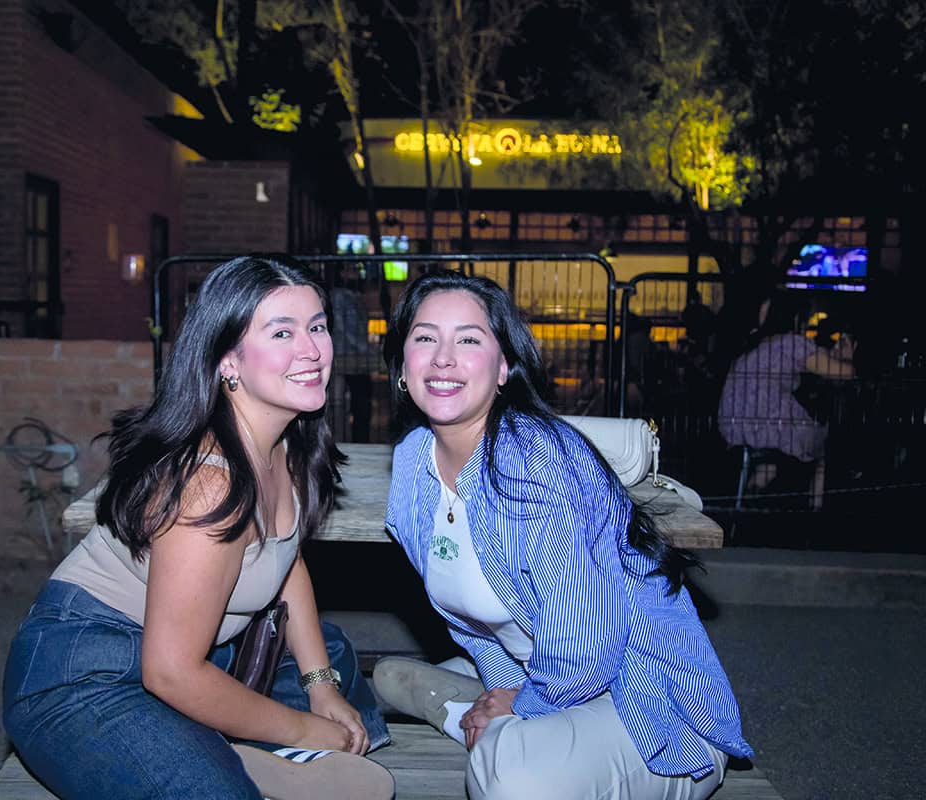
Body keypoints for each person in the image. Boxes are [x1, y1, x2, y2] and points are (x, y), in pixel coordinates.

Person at [2, 255, 392, 800]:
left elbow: (285, 563)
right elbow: (170, 673)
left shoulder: (287, 439)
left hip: (202, 652)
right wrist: (309, 728)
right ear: (227, 360)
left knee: (336, 658)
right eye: (282, 332)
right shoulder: (209, 482)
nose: (311, 350)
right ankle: (225, 760)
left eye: (317, 326)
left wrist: (319, 684)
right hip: (87, 672)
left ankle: (220, 746)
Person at [371, 270, 752, 800]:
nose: (443, 357)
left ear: (504, 366)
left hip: (642, 698)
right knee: (414, 691)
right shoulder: (414, 461)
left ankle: (473, 722)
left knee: (512, 783)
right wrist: (505, 684)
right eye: (425, 337)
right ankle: (482, 714)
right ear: (402, 364)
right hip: (541, 674)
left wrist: (516, 704)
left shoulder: (539, 463)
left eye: (469, 339)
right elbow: (477, 619)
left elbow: (590, 647)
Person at [717, 290, 856, 508]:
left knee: (770, 457)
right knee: (822, 444)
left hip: (734, 424)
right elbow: (840, 372)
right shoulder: (791, 344)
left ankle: (748, 501)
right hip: (767, 424)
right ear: (797, 319)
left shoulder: (754, 343)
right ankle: (814, 512)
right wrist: (849, 357)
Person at [327, 266, 376, 442]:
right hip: (346, 356)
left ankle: (353, 440)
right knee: (344, 404)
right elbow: (347, 329)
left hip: (349, 356)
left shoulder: (349, 296)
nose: (358, 274)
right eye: (353, 270)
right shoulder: (341, 296)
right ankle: (346, 441)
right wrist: (366, 349)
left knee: (352, 403)